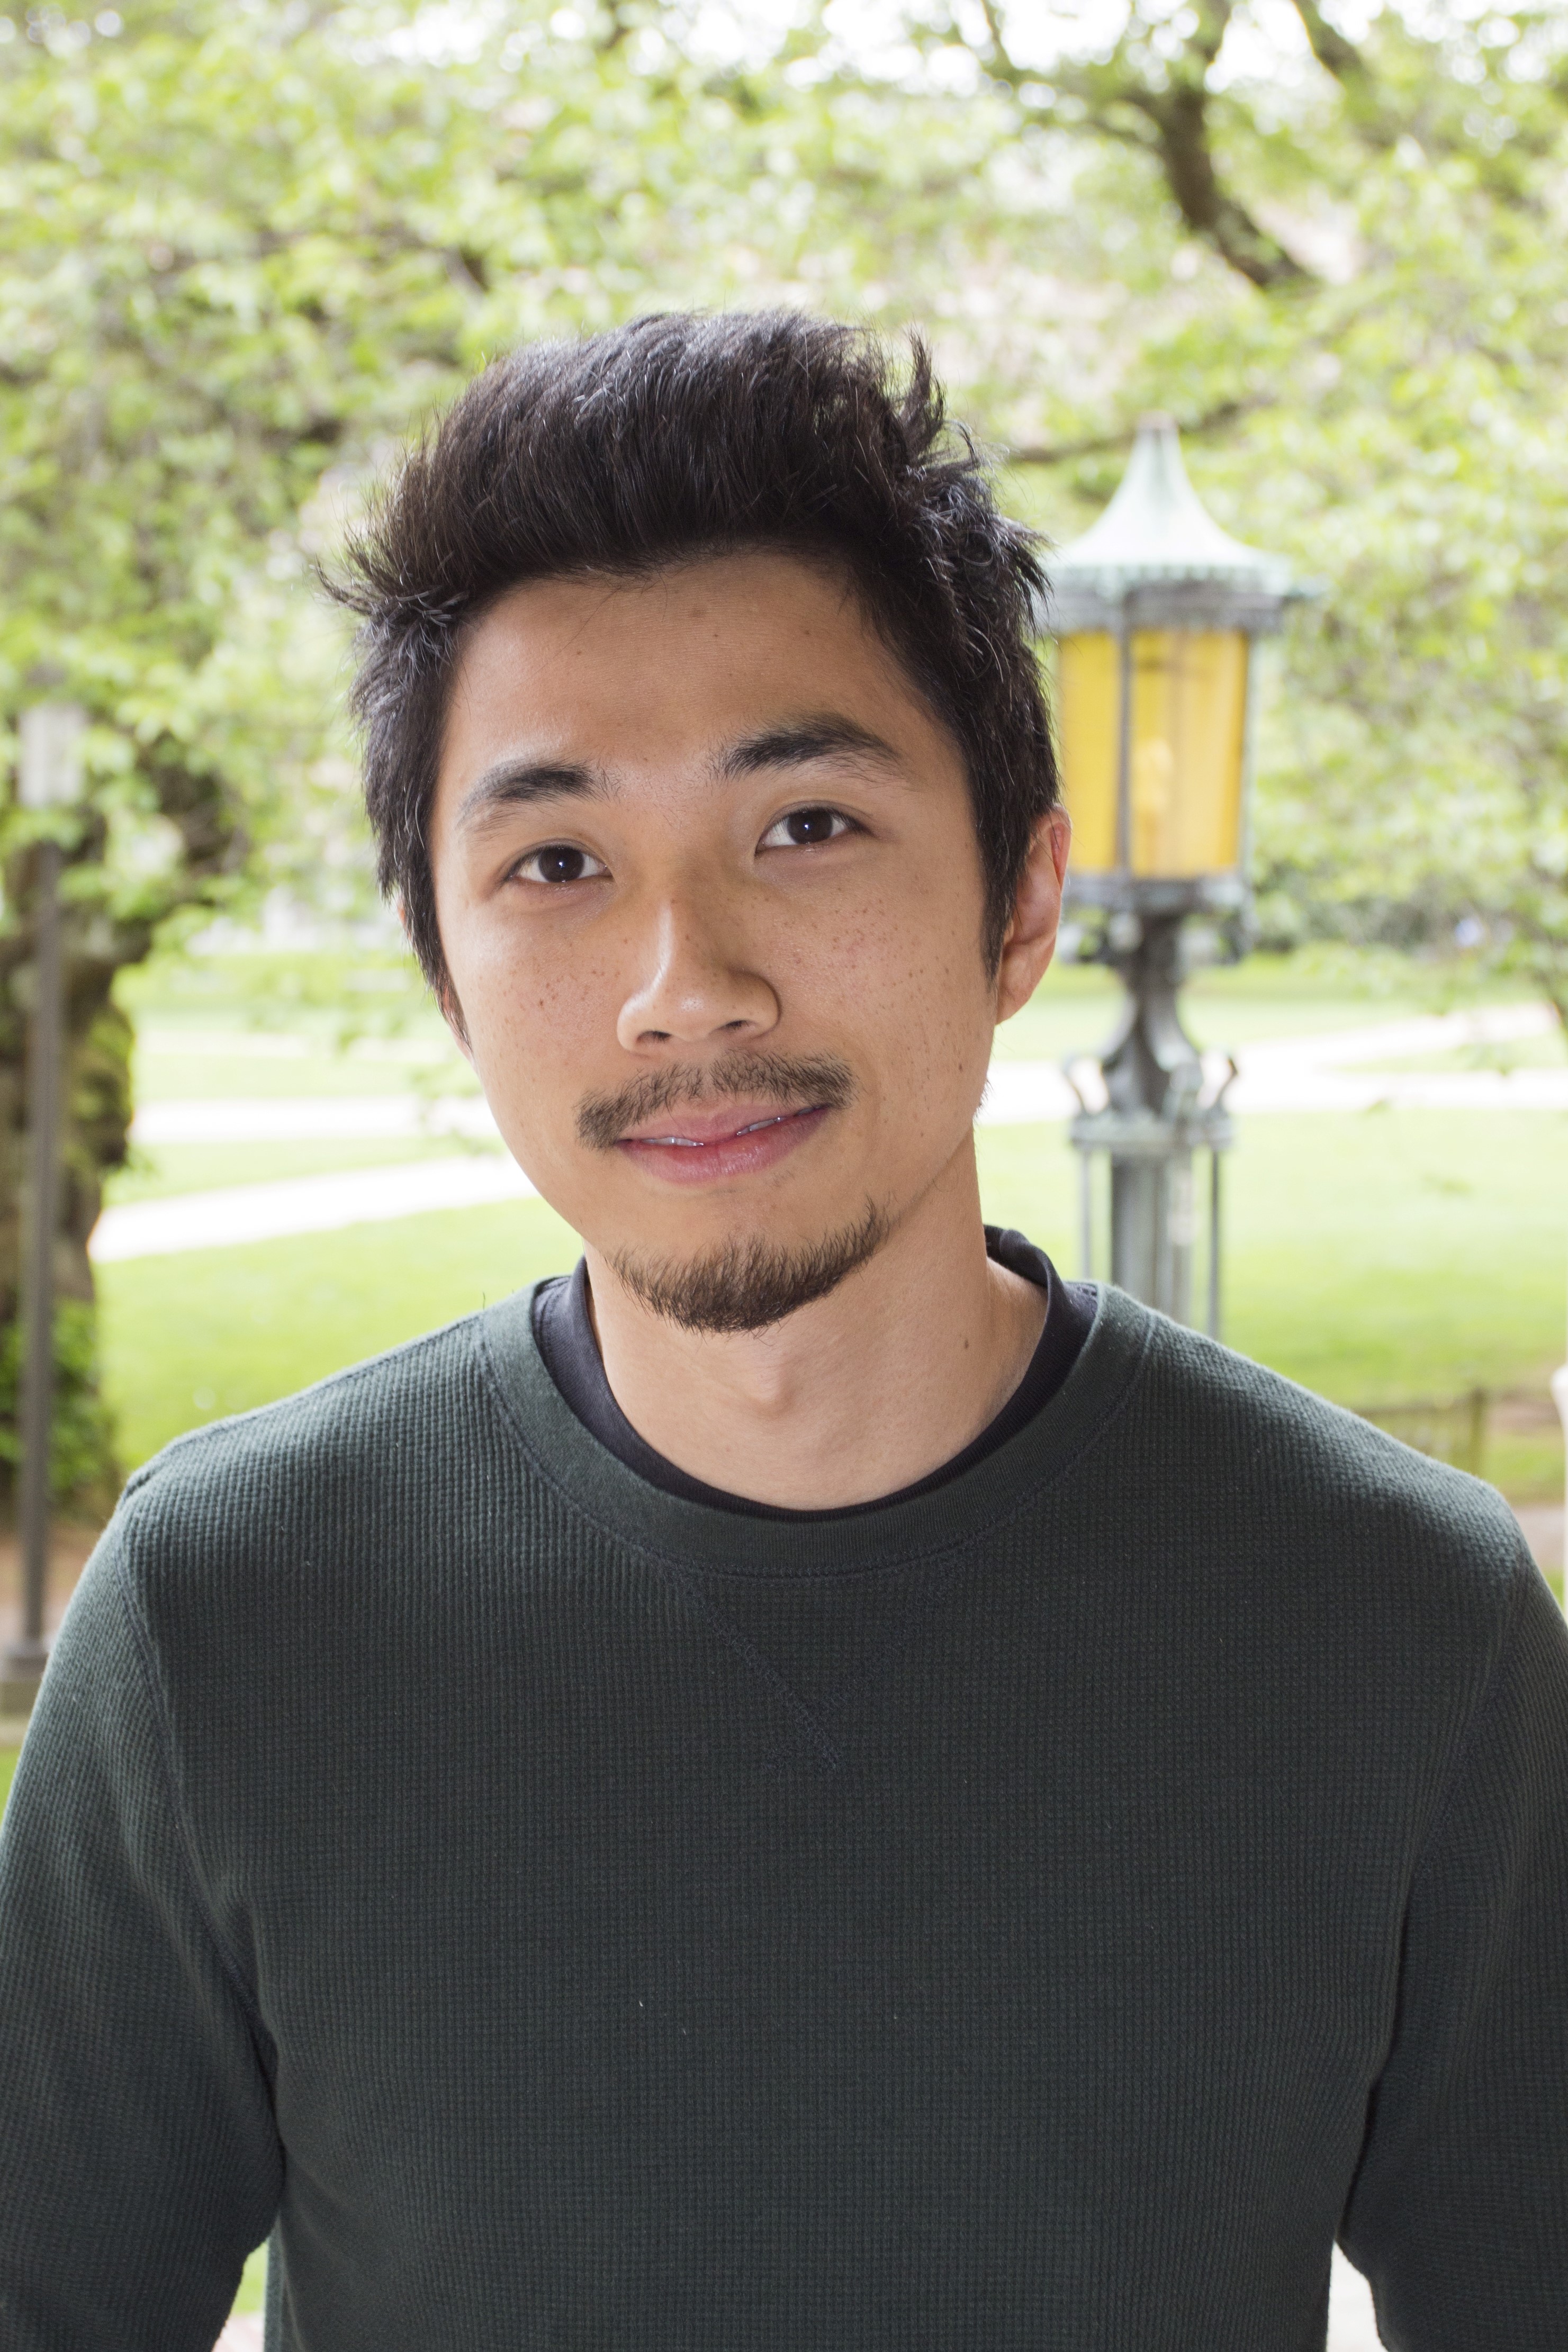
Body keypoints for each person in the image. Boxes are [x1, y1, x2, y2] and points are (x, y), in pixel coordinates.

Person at [1, 312, 1565, 2352]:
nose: (685, 984)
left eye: (804, 825)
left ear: (1019, 905)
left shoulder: (1400, 1623)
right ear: (450, 973)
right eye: (556, 861)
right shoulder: (226, 1615)